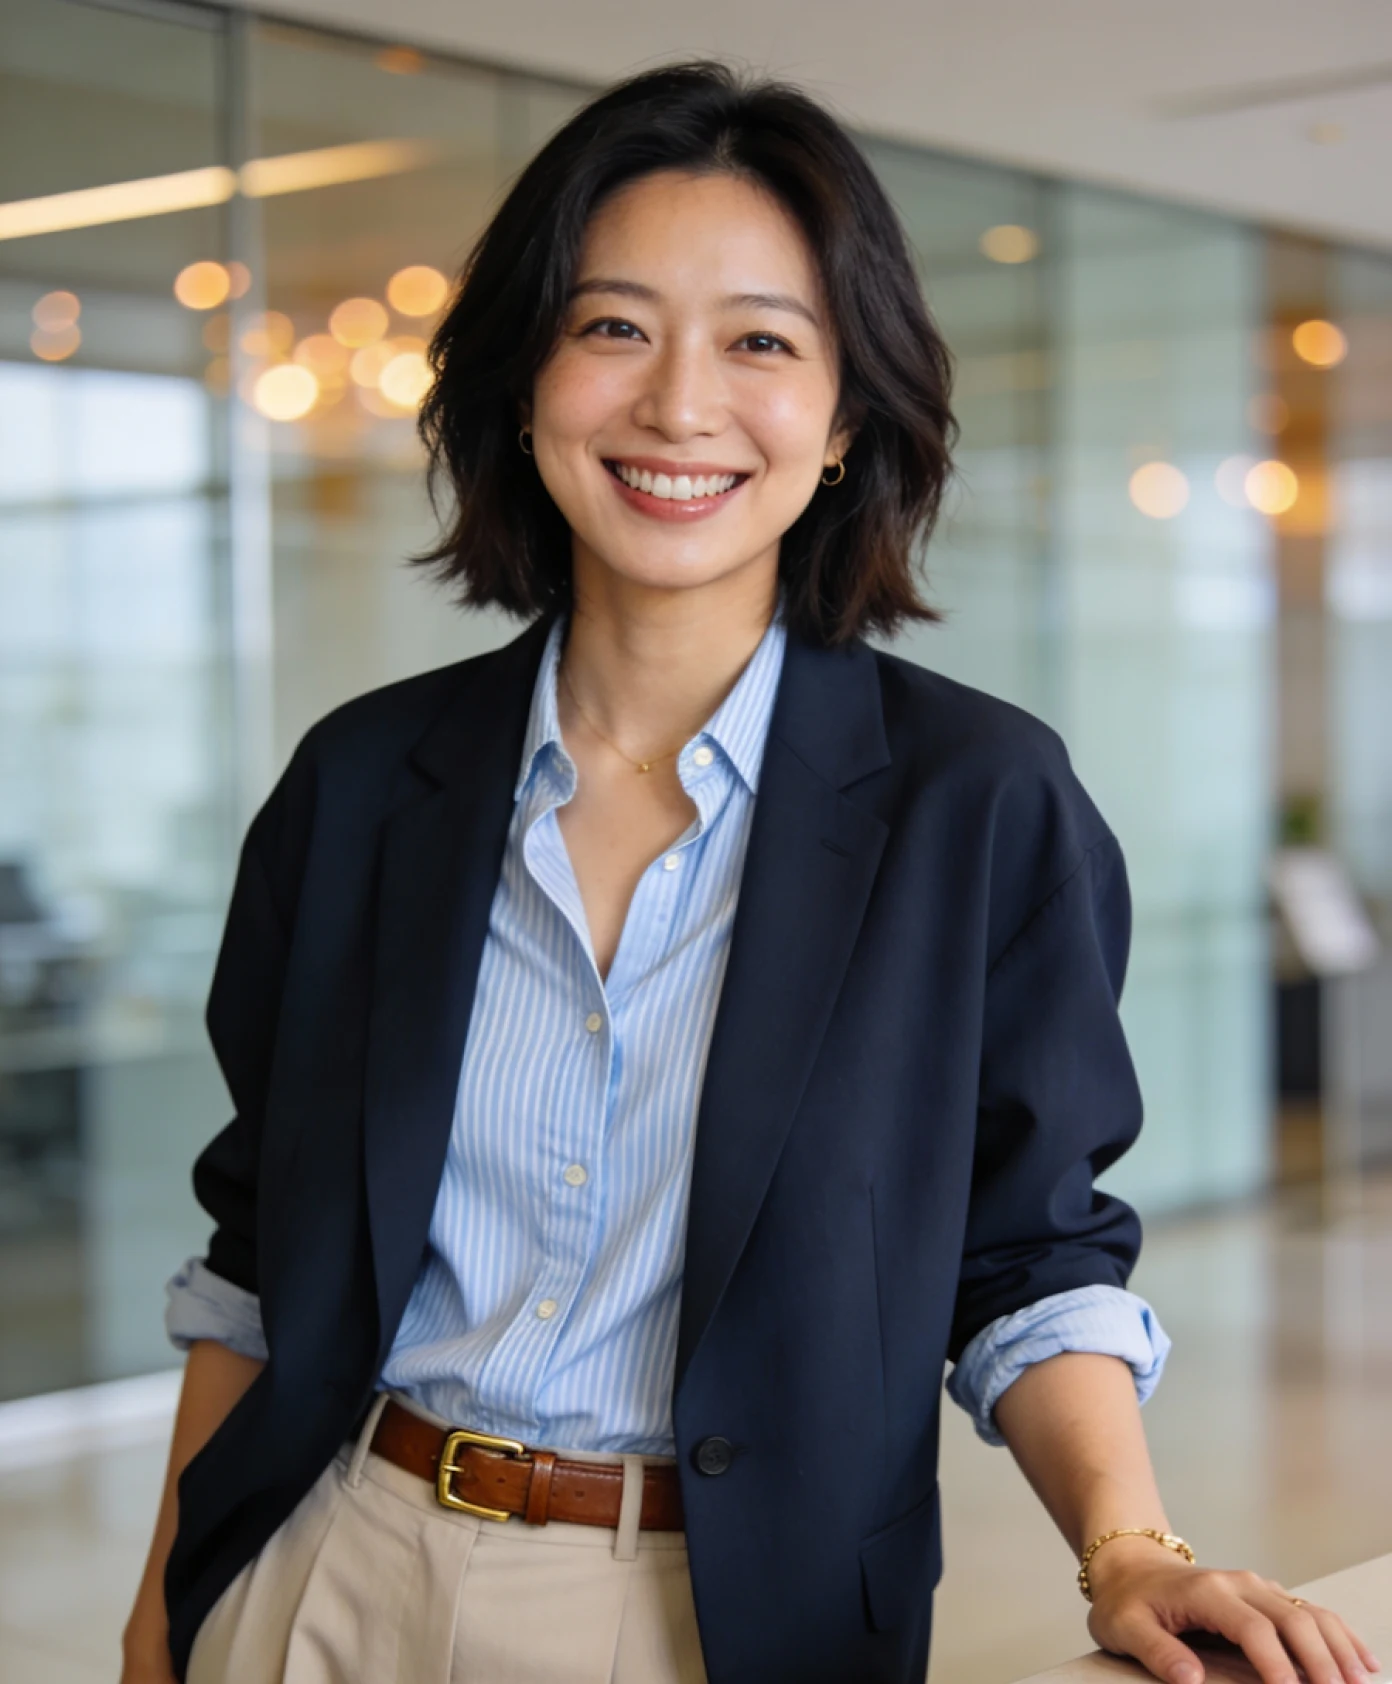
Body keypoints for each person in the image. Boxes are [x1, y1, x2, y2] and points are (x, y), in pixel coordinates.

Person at [120, 60, 1377, 1684]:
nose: (678, 405)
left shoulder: (978, 802)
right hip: (326, 1568)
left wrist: (1130, 1549)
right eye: (613, 326)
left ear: (847, 418)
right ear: (524, 378)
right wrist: (164, 1623)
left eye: (762, 343)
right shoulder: (362, 782)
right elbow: (255, 1251)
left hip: (710, 1621)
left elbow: (1029, 1252)